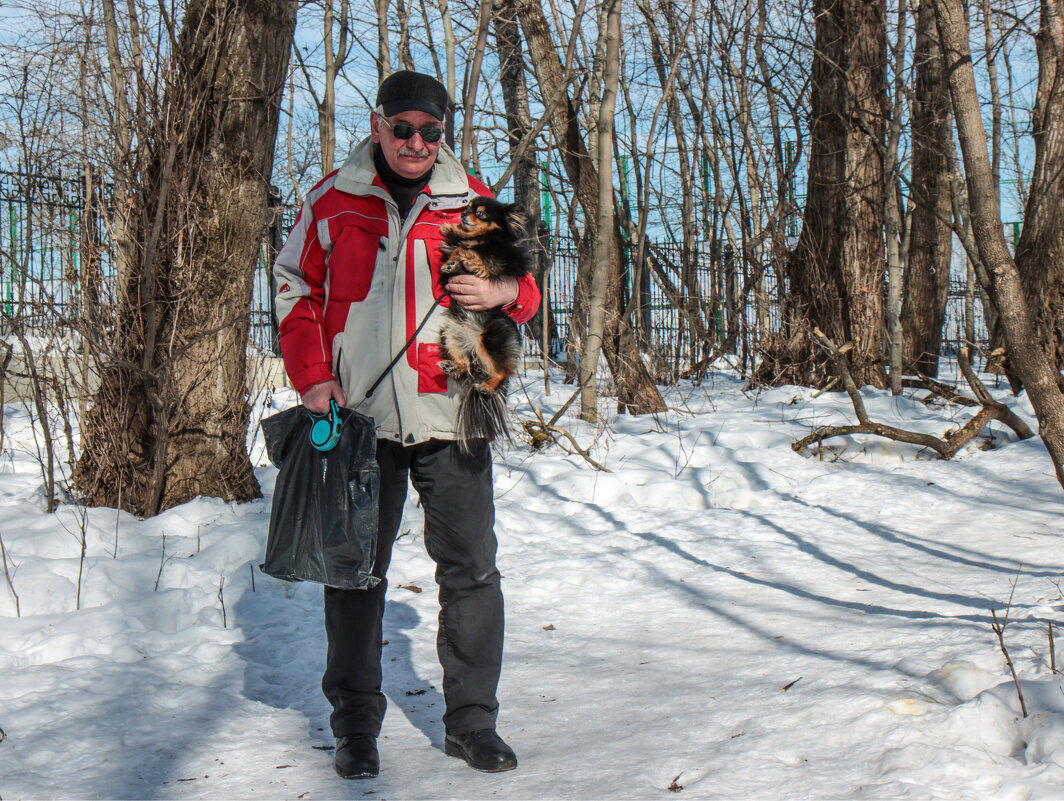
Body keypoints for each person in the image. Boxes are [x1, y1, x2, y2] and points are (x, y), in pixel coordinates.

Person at [272, 71, 541, 780]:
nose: (417, 142)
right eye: (403, 128)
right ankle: (355, 727)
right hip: (359, 420)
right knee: (356, 574)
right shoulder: (331, 200)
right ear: (377, 124)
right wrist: (313, 377)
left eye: (431, 131)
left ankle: (473, 725)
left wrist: (501, 290)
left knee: (472, 572)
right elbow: (293, 287)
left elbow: (528, 293)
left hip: (454, 414)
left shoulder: (471, 201)